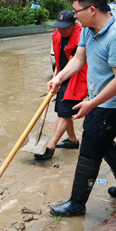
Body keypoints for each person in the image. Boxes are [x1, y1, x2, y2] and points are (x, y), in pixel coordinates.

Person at [48, 0, 116, 217]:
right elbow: (78, 60)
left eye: (76, 12)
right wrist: (59, 77)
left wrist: (92, 103)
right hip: (100, 99)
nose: (74, 17)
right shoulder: (89, 30)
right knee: (103, 140)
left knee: (90, 146)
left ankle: (77, 203)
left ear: (91, 10)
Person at [34, 10, 87, 160]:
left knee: (64, 111)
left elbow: (75, 62)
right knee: (64, 110)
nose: (62, 31)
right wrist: (55, 77)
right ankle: (73, 140)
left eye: (66, 28)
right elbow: (59, 59)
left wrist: (60, 77)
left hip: (77, 78)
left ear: (74, 25)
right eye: (60, 27)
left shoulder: (81, 37)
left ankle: (51, 146)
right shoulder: (57, 35)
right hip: (61, 76)